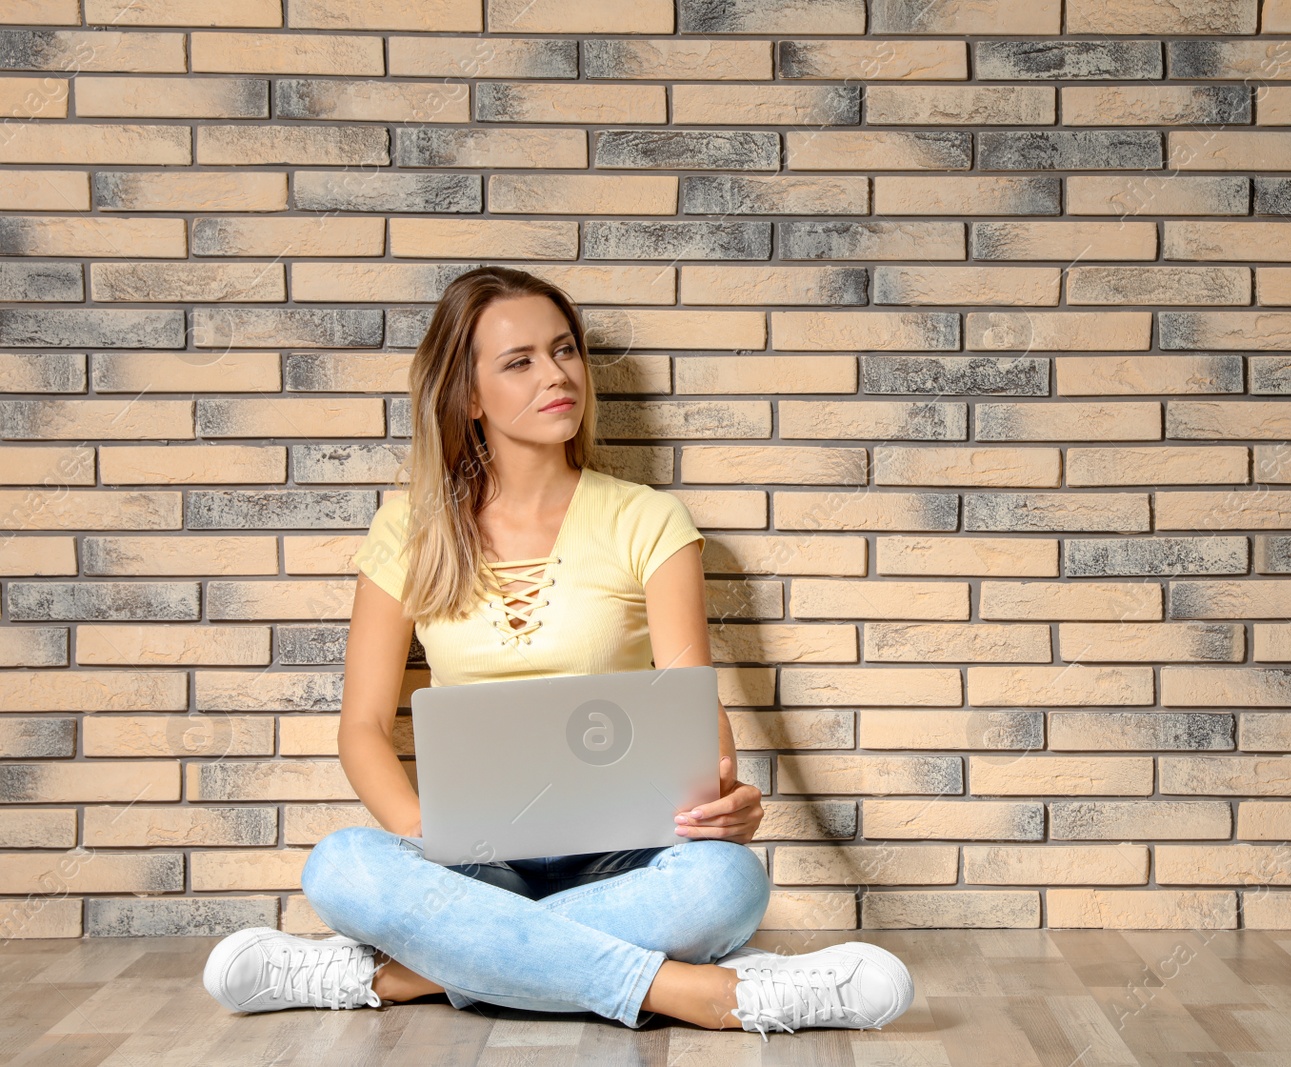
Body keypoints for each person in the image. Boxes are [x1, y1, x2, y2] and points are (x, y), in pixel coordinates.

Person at [199, 266, 915, 1040]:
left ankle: (397, 976)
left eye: (564, 350)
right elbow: (363, 727)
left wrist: (721, 791)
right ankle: (703, 992)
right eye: (520, 361)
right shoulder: (408, 527)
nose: (557, 374)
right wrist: (423, 833)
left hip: (623, 852)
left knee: (728, 882)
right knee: (341, 866)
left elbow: (692, 707)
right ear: (469, 395)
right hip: (468, 862)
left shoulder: (648, 520)